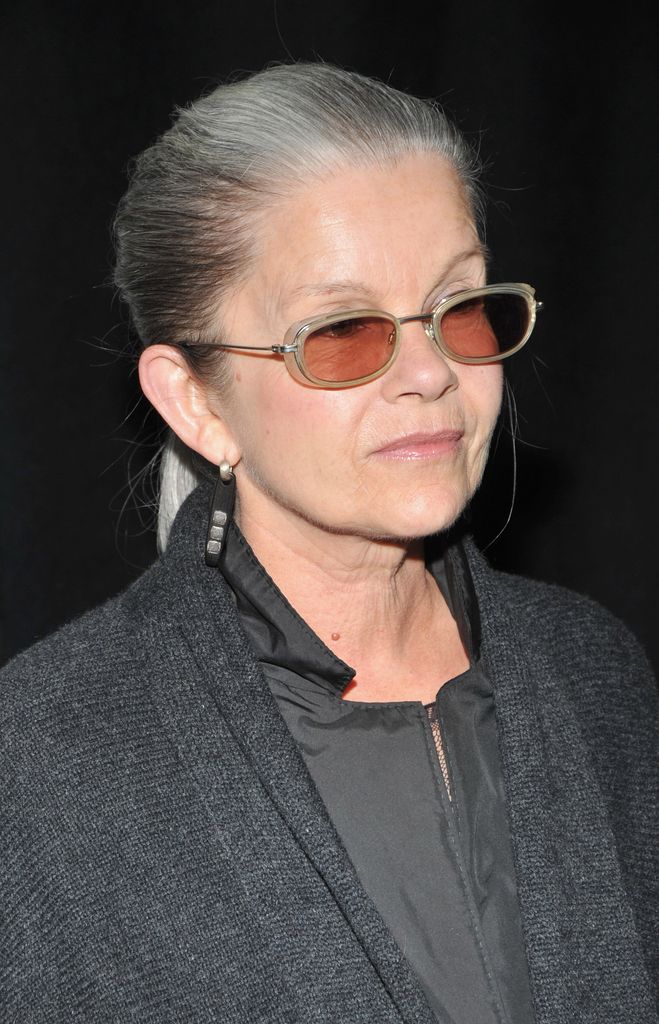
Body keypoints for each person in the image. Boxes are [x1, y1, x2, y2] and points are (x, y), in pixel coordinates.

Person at [0, 62, 655, 1024]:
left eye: (457, 307)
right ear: (193, 400)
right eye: (344, 331)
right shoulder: (41, 763)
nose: (431, 373)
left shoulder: (596, 672)